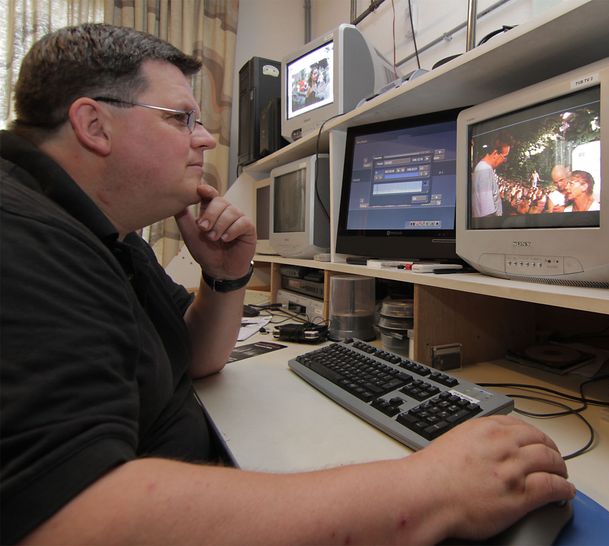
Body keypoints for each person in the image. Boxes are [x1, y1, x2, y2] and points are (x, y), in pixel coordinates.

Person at [0, 23, 574, 545]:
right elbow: (70, 518)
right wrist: (430, 491)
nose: (204, 140)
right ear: (93, 124)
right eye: (182, 119)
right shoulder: (22, 237)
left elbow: (193, 355)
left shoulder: (110, 237)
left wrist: (224, 278)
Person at [471, 135, 511, 217]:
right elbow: (486, 213)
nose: (505, 161)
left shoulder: (484, 168)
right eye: (505, 157)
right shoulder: (484, 170)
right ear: (495, 153)